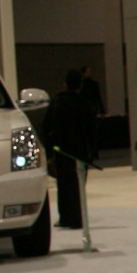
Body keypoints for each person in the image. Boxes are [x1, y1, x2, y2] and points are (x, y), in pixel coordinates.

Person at [43, 69, 99, 229]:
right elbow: (92, 131)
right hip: (80, 152)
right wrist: (92, 152)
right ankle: (78, 217)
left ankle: (65, 217)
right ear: (80, 85)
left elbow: (46, 127)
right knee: (78, 186)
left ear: (65, 84)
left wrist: (49, 150)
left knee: (64, 185)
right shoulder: (85, 104)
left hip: (61, 151)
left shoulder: (57, 102)